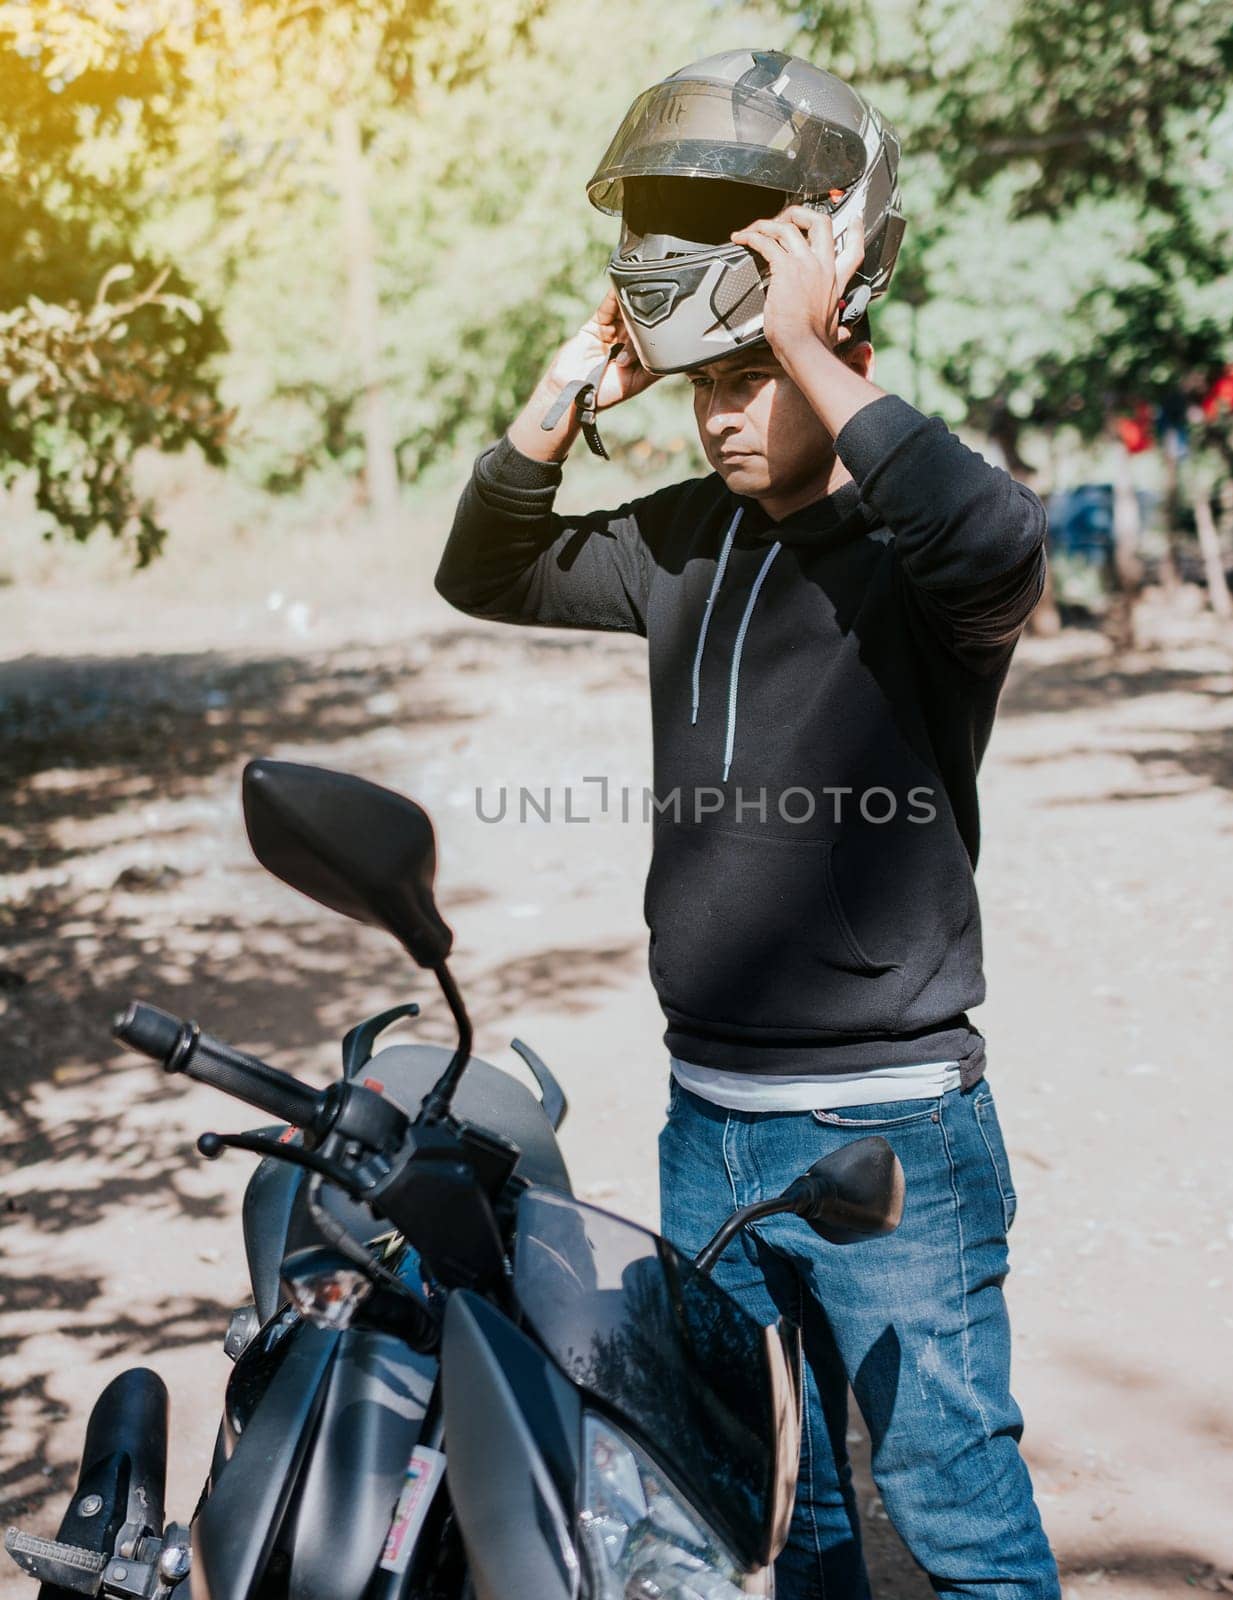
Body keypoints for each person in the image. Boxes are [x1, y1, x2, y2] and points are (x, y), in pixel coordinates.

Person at [435, 48, 1060, 1600]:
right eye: (704, 383)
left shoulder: (919, 571)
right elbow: (485, 571)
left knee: (955, 1505)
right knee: (788, 1509)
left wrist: (805, 339)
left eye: (751, 382)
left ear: (832, 355)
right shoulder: (677, 546)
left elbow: (998, 538)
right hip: (707, 1122)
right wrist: (571, 391)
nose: (720, 418)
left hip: (890, 1131)